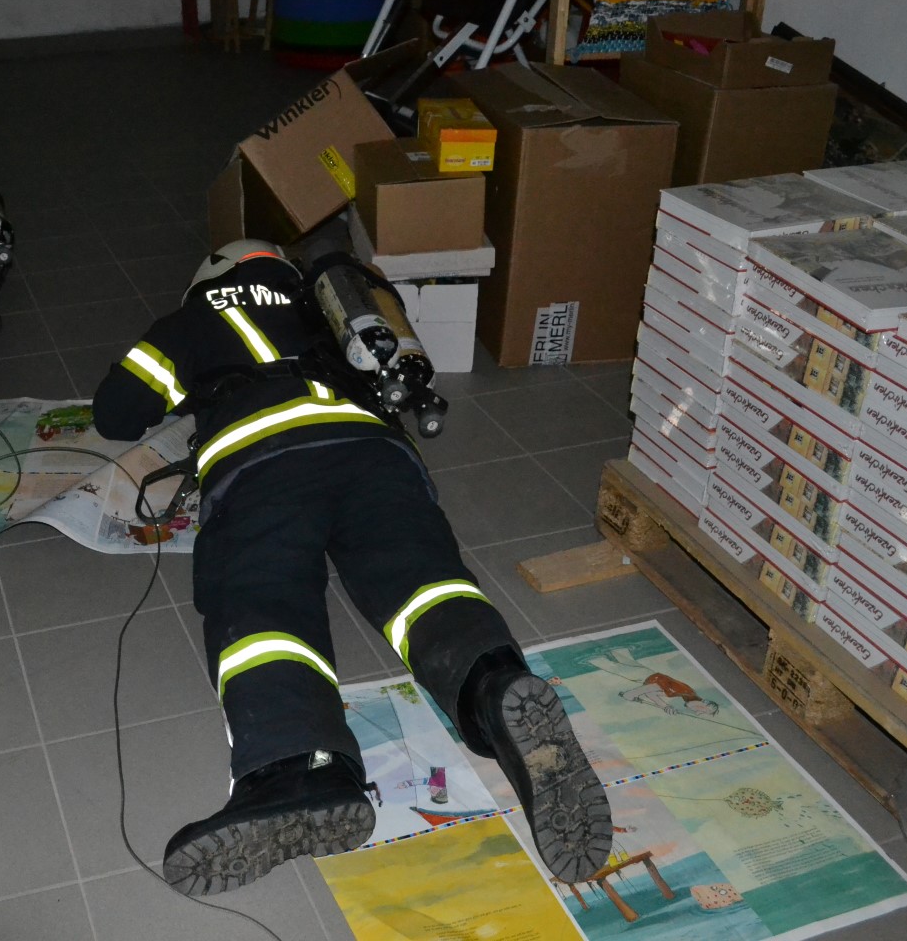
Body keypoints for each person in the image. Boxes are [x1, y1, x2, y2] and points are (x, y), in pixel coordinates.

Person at [91, 239, 612, 896]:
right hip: (376, 454)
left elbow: (116, 412)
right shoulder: (332, 311)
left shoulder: (193, 319)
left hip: (263, 462)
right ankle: (490, 686)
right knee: (423, 584)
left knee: (265, 602)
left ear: (211, 278)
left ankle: (299, 766)